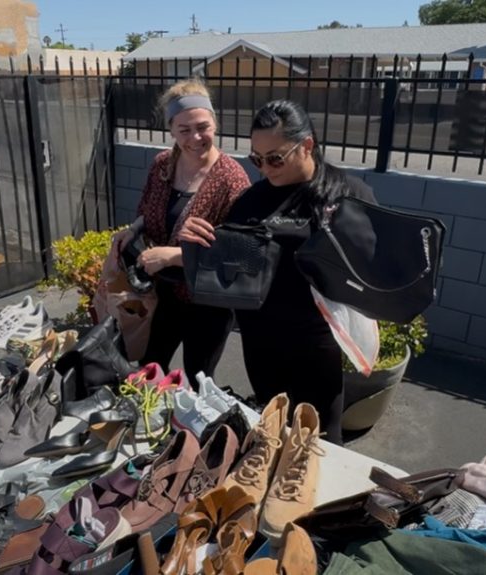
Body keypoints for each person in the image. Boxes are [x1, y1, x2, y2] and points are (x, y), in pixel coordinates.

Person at [179, 99, 377, 443]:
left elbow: (372, 270)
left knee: (322, 445)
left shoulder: (348, 194)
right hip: (261, 342)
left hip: (317, 343)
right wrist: (196, 245)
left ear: (308, 146)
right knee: (273, 435)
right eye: (257, 159)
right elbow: (232, 267)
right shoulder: (251, 200)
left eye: (275, 158)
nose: (266, 169)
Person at [112, 79, 250, 385]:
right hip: (162, 294)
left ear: (216, 123)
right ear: (171, 129)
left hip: (208, 304)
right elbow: (147, 212)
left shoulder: (232, 180)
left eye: (203, 126)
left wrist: (173, 255)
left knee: (198, 378)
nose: (195, 137)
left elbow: (239, 252)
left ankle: (192, 432)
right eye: (184, 129)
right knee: (149, 365)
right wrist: (130, 231)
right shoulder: (163, 164)